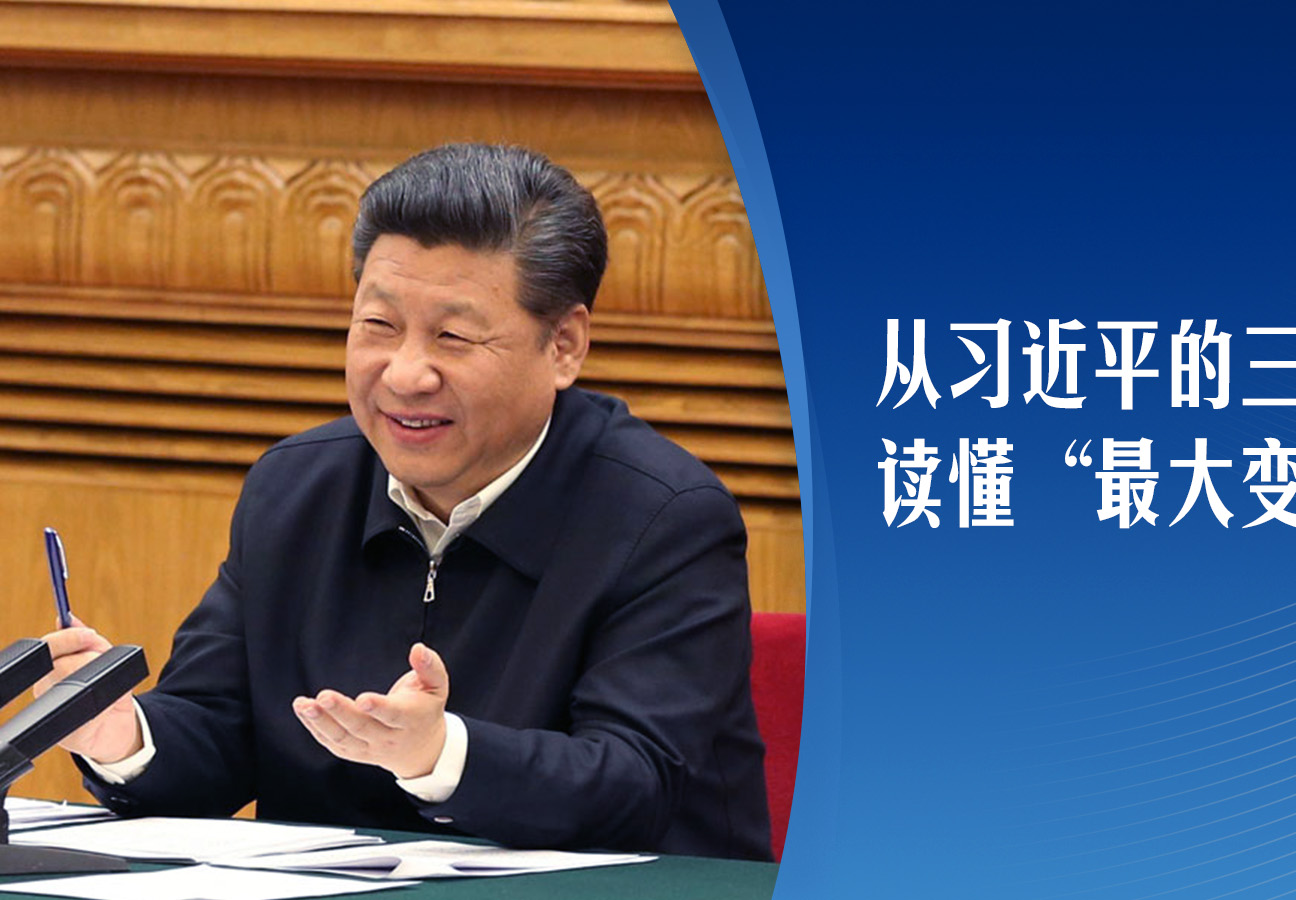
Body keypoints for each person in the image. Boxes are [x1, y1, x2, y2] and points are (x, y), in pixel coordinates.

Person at [35, 143, 773, 861]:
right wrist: (122, 735)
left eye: (453, 336)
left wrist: (440, 754)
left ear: (564, 346)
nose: (405, 374)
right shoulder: (296, 489)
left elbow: (634, 784)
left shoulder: (663, 516)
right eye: (379, 327)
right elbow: (219, 735)